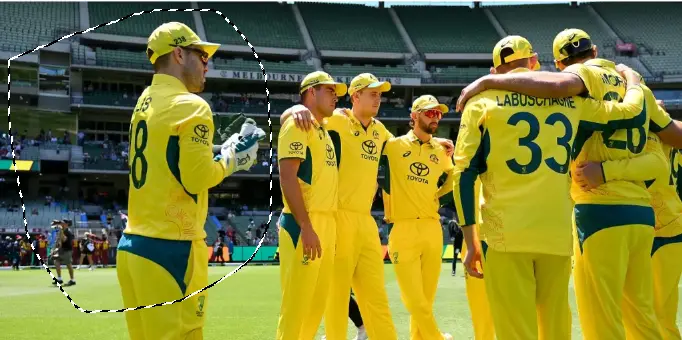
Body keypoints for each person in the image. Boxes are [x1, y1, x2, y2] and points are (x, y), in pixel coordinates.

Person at [455, 34, 655, 340]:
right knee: (557, 328)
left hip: (504, 234)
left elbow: (464, 174)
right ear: (535, 62)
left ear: (495, 71)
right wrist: (633, 80)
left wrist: (471, 241)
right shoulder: (572, 102)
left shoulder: (481, 101)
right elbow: (630, 113)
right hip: (556, 233)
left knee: (516, 331)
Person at [116, 22, 263, 340]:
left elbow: (170, 155)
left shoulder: (145, 101)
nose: (207, 64)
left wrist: (223, 147)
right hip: (172, 248)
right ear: (179, 54)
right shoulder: (192, 106)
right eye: (202, 55)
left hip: (134, 246)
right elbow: (197, 178)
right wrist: (234, 158)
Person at [281, 73, 454, 340]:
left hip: (365, 221)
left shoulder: (380, 131)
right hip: (337, 216)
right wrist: (296, 108)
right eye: (372, 93)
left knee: (376, 296)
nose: (378, 99)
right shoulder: (336, 119)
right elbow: (300, 121)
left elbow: (405, 145)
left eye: (380, 94)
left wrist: (435, 142)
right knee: (337, 296)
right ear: (355, 96)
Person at [576, 100, 682, 339]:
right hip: (664, 227)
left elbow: (654, 166)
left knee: (652, 319)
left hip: (660, 230)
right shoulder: (664, 128)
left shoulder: (648, 131)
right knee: (653, 317)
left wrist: (604, 171)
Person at [276, 71, 344, 340]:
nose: (336, 97)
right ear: (311, 92)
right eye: (330, 91)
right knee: (296, 309)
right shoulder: (297, 124)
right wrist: (306, 225)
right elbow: (287, 176)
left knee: (315, 308)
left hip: (326, 224)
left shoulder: (322, 129)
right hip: (304, 223)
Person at [380, 95, 455, 340]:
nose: (436, 118)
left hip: (433, 229)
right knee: (414, 300)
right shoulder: (392, 145)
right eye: (430, 113)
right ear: (414, 116)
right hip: (402, 228)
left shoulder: (442, 151)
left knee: (426, 300)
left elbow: (453, 178)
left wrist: (439, 196)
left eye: (439, 114)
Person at [51, 219, 76, 285]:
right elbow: (58, 240)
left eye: (63, 223)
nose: (61, 223)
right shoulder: (61, 231)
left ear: (67, 224)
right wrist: (54, 249)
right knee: (56, 261)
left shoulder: (69, 232)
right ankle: (59, 279)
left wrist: (61, 231)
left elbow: (64, 239)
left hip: (67, 250)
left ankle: (72, 280)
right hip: (61, 249)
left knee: (68, 265)